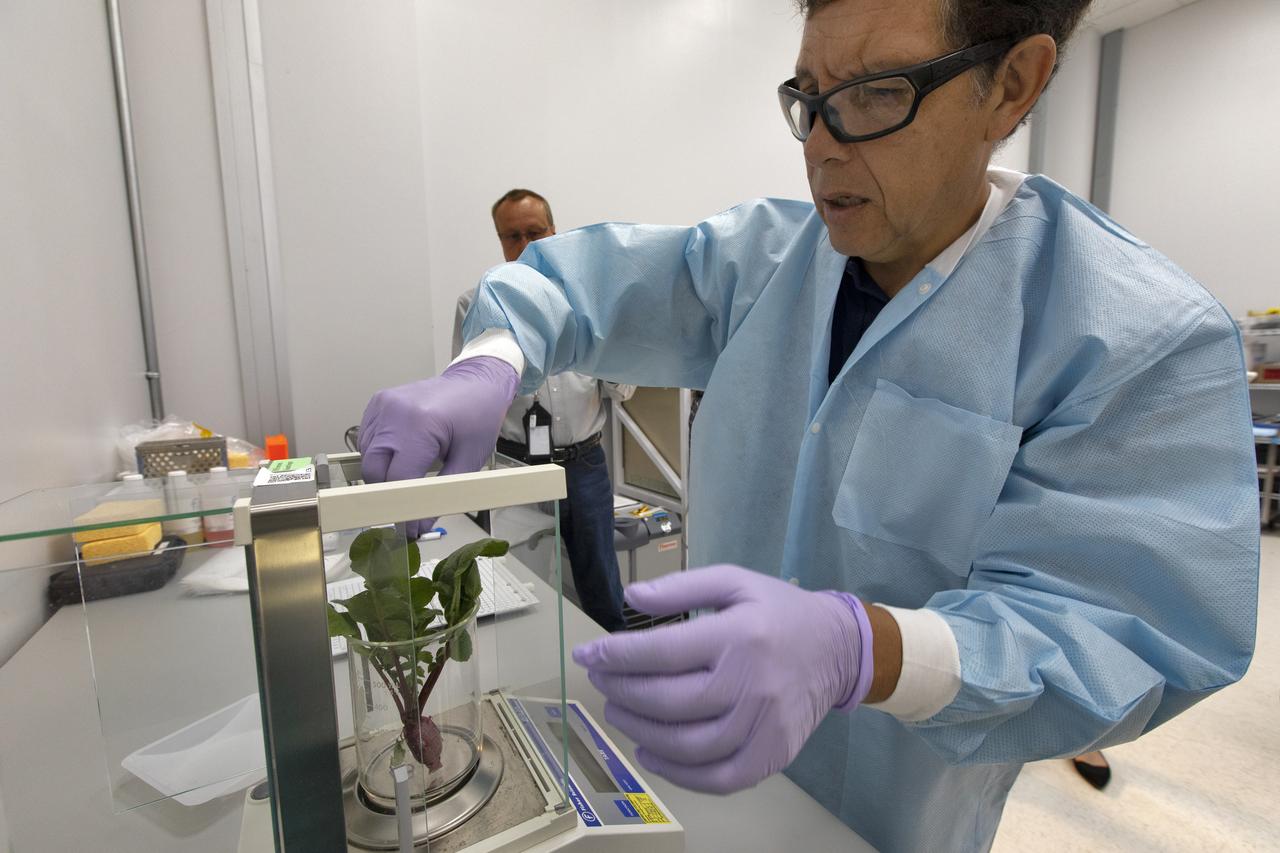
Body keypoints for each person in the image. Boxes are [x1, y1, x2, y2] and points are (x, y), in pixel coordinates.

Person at [357, 1, 1259, 849]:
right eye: (809, 98)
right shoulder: (770, 263)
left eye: (875, 94)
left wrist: (863, 650)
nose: (822, 147)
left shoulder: (1137, 338)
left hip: (892, 819)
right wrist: (491, 360)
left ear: (1013, 84)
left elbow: (1123, 629)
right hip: (704, 777)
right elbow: (575, 284)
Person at [451, 189, 635, 632]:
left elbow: (623, 389)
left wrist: (604, 349)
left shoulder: (589, 299)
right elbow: (468, 397)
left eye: (536, 232)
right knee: (515, 590)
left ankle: (620, 685)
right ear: (500, 242)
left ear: (555, 231)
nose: (526, 245)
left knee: (601, 591)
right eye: (513, 236)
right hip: (514, 466)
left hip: (584, 465)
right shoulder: (475, 304)